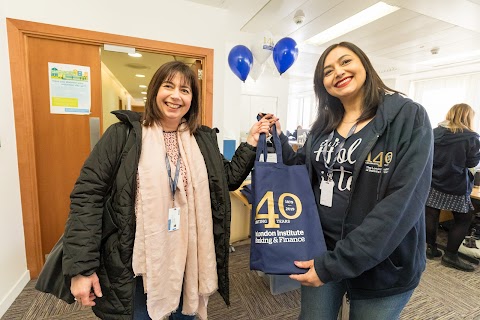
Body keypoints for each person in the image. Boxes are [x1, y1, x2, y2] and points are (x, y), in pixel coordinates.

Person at [63, 61, 274, 319]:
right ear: (155, 92)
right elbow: (88, 196)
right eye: (168, 86)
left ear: (192, 100)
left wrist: (251, 142)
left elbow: (226, 179)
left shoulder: (202, 139)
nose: (176, 95)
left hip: (189, 260)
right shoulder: (123, 135)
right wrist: (82, 268)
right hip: (136, 265)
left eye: (185, 90)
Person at [272, 42, 433, 319]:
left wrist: (340, 262)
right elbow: (304, 172)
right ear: (322, 84)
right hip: (323, 252)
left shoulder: (407, 116)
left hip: (383, 263)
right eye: (328, 70)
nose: (338, 72)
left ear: (365, 66)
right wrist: (278, 139)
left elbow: (401, 203)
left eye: (346, 62)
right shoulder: (323, 125)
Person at [425, 103, 480, 272]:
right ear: (468, 117)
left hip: (432, 181)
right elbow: (472, 162)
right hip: (455, 184)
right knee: (464, 218)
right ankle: (450, 255)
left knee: (431, 214)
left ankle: (430, 248)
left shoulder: (434, 132)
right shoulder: (471, 137)